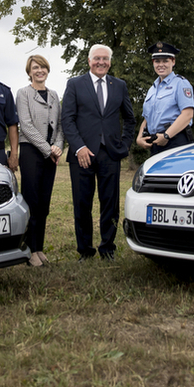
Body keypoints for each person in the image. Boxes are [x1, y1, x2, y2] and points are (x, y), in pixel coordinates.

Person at [61, 44, 136, 261]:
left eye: (105, 59)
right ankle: (85, 250)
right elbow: (67, 119)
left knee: (110, 204)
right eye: (97, 59)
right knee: (82, 203)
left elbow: (129, 118)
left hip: (110, 153)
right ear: (89, 61)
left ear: (110, 62)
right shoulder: (75, 84)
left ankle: (107, 248)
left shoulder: (119, 85)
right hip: (82, 154)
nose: (101, 62)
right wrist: (79, 147)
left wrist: (123, 145)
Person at [16, 55, 64, 267]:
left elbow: (61, 126)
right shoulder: (23, 94)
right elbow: (25, 126)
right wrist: (47, 149)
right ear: (29, 71)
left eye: (43, 67)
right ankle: (29, 250)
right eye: (35, 68)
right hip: (31, 152)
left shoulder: (54, 95)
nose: (39, 71)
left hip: (50, 153)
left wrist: (59, 146)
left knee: (44, 202)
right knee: (32, 201)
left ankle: (40, 248)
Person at [136, 41, 194, 156]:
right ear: (153, 63)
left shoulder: (181, 83)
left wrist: (167, 135)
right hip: (156, 142)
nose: (161, 65)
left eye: (165, 61)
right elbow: (146, 119)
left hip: (175, 141)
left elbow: (187, 115)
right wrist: (139, 138)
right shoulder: (152, 89)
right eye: (157, 61)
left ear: (173, 62)